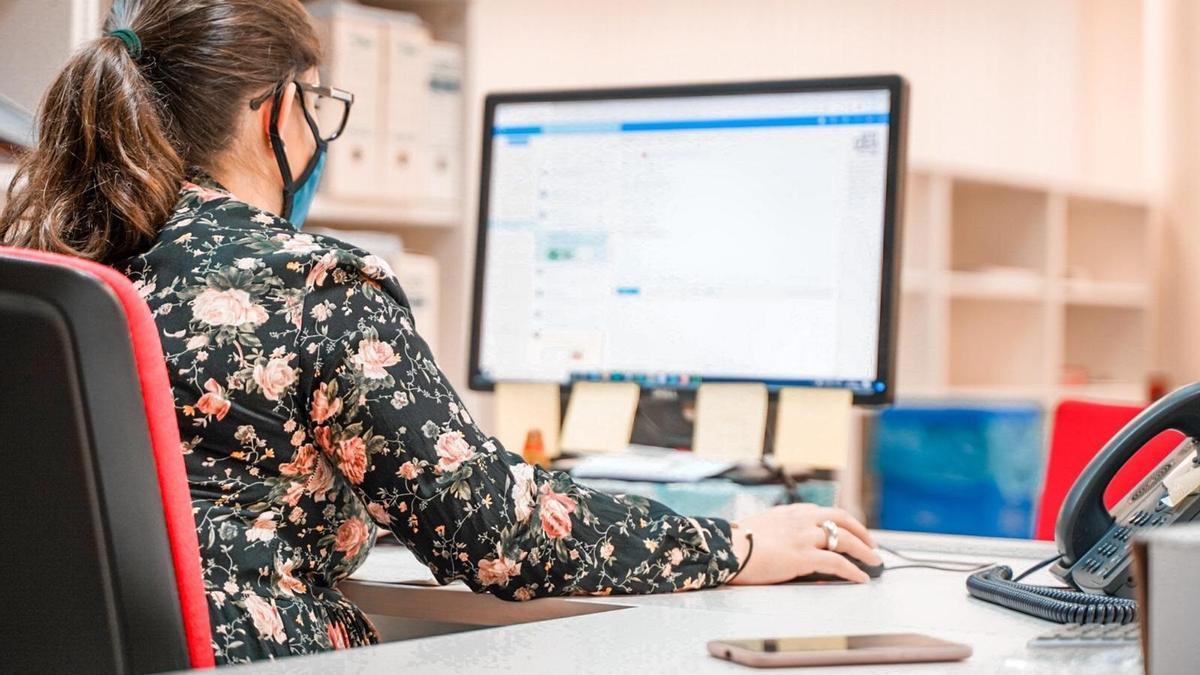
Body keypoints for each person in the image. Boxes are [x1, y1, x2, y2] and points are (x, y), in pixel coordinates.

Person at [0, 0, 882, 664]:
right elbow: (499, 533)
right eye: (319, 106)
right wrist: (740, 544)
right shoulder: (314, 282)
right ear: (277, 113)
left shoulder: (66, 258)